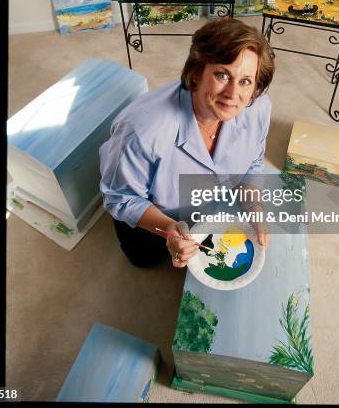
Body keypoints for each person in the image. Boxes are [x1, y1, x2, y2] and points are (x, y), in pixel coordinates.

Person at [99, 17, 275, 268]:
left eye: (246, 81)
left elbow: (253, 163)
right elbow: (120, 197)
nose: (233, 93)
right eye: (222, 74)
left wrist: (254, 207)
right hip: (150, 219)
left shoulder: (258, 109)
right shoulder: (140, 131)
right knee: (144, 260)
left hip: (206, 208)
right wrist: (169, 229)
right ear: (196, 72)